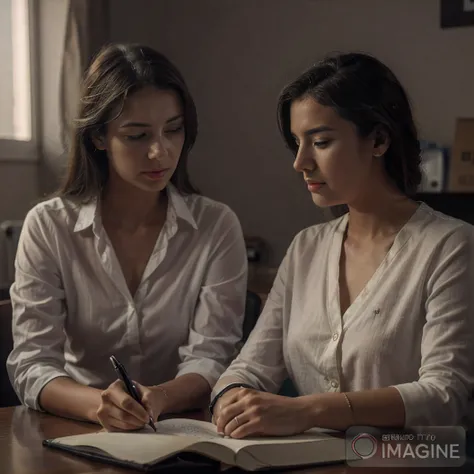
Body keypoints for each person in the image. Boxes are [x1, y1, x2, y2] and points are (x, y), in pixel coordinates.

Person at [210, 52, 474, 439]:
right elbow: (249, 369)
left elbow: (443, 395)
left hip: (412, 463)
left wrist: (308, 410)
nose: (301, 162)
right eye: (297, 144)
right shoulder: (306, 249)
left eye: (320, 141)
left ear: (379, 140)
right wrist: (231, 398)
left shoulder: (451, 246)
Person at [7, 43, 248, 431]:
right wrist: (98, 405)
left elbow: (213, 356)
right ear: (99, 137)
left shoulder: (215, 226)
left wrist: (161, 397)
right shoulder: (49, 226)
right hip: (77, 429)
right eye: (137, 135)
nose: (160, 152)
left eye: (173, 130)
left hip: (183, 430)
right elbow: (32, 363)